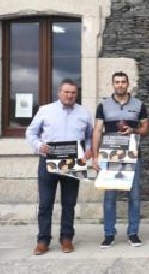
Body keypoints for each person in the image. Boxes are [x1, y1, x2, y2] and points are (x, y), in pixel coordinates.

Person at [26, 79, 93, 255]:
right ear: (59, 93)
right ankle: (43, 240)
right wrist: (39, 145)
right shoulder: (46, 110)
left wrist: (88, 150)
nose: (69, 95)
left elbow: (89, 136)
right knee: (45, 203)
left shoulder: (84, 112)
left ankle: (66, 239)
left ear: (76, 94)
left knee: (69, 203)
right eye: (66, 92)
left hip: (73, 163)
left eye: (72, 93)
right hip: (48, 161)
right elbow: (30, 132)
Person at [93, 72, 149, 248]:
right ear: (112, 84)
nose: (120, 85)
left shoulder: (139, 104)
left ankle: (133, 233)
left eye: (123, 82)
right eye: (117, 82)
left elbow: (145, 129)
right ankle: (109, 234)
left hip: (132, 156)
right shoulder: (103, 105)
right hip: (109, 157)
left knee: (134, 197)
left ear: (128, 84)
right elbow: (97, 131)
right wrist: (95, 156)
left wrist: (133, 131)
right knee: (110, 197)